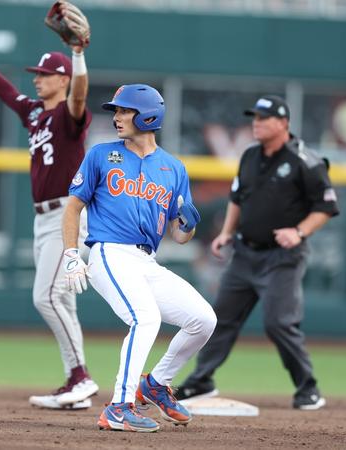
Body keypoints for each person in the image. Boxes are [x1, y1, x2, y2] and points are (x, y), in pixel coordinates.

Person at [0, 20, 98, 409]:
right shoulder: (34, 113)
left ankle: (82, 377)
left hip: (67, 216)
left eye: (45, 75)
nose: (37, 80)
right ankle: (75, 383)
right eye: (36, 74)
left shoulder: (69, 115)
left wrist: (78, 54)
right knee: (62, 302)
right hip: (42, 219)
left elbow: (81, 96)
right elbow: (6, 92)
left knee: (45, 297)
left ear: (62, 80)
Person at [62, 84, 217, 432]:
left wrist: (189, 225)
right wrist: (72, 254)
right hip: (108, 253)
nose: (116, 117)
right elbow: (73, 209)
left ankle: (157, 384)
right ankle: (119, 406)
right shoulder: (101, 154)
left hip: (146, 260)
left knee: (204, 319)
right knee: (146, 319)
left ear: (148, 115)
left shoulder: (173, 169)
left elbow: (179, 236)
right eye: (115, 111)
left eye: (124, 110)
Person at [175, 95, 339, 410]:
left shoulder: (306, 161)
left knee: (279, 323)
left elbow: (327, 206)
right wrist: (226, 232)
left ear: (283, 124)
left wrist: (300, 231)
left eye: (264, 118)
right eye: (255, 118)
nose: (257, 123)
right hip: (245, 253)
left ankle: (308, 388)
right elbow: (236, 199)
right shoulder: (249, 156)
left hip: (282, 258)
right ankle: (200, 381)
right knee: (219, 318)